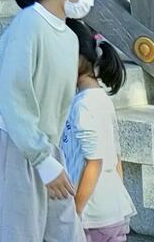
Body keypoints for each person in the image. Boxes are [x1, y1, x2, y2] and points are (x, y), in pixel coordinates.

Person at [0, 0, 99, 242]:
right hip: (12, 145)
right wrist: (41, 159)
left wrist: (48, 156)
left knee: (67, 232)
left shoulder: (68, 37)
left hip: (44, 147)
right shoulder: (27, 26)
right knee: (10, 232)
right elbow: (13, 97)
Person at [60, 19, 134, 242]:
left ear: (77, 59)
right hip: (110, 211)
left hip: (92, 217)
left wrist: (74, 212)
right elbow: (116, 158)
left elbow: (95, 162)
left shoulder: (84, 105)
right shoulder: (98, 98)